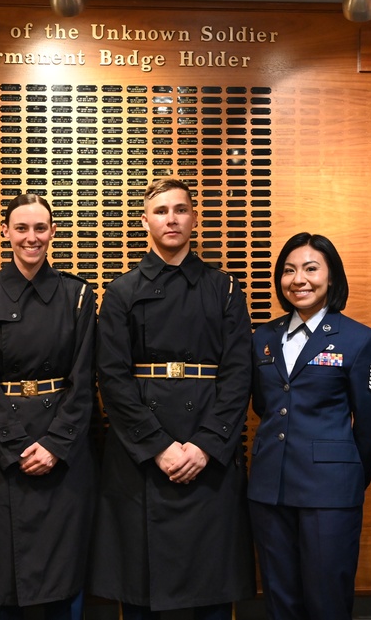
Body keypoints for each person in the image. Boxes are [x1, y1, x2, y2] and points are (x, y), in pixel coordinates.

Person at [89, 178, 255, 620]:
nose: (172, 219)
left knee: (211, 588)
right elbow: (112, 378)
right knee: (143, 592)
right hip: (142, 456)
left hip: (209, 455)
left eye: (181, 210)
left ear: (194, 220)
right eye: (161, 211)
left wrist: (204, 445)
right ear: (146, 221)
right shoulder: (121, 291)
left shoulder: (224, 288)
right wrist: (159, 447)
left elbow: (239, 375)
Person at [0, 193, 97, 620]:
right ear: (5, 232)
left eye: (40, 228)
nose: (31, 237)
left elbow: (85, 377)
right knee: (3, 576)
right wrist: (16, 446)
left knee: (64, 570)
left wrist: (55, 444)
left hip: (64, 447)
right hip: (3, 453)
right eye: (21, 228)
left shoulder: (77, 295)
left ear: (52, 232)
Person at [248, 232, 371, 620]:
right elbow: (264, 405)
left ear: (331, 277)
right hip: (269, 487)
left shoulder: (359, 339)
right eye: (289, 270)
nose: (299, 279)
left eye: (311, 269)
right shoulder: (264, 337)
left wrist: (346, 476)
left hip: (330, 491)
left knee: (327, 598)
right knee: (280, 598)